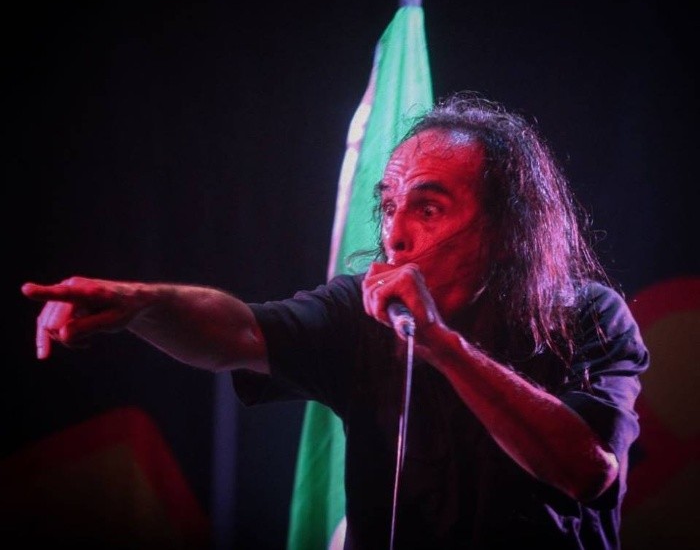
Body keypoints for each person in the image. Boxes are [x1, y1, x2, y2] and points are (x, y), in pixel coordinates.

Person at [22, 91, 649, 549]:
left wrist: (440, 344)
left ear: (507, 230)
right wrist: (143, 304)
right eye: (389, 207)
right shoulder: (361, 313)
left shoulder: (588, 316)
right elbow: (239, 332)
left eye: (428, 208)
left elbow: (587, 470)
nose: (395, 235)